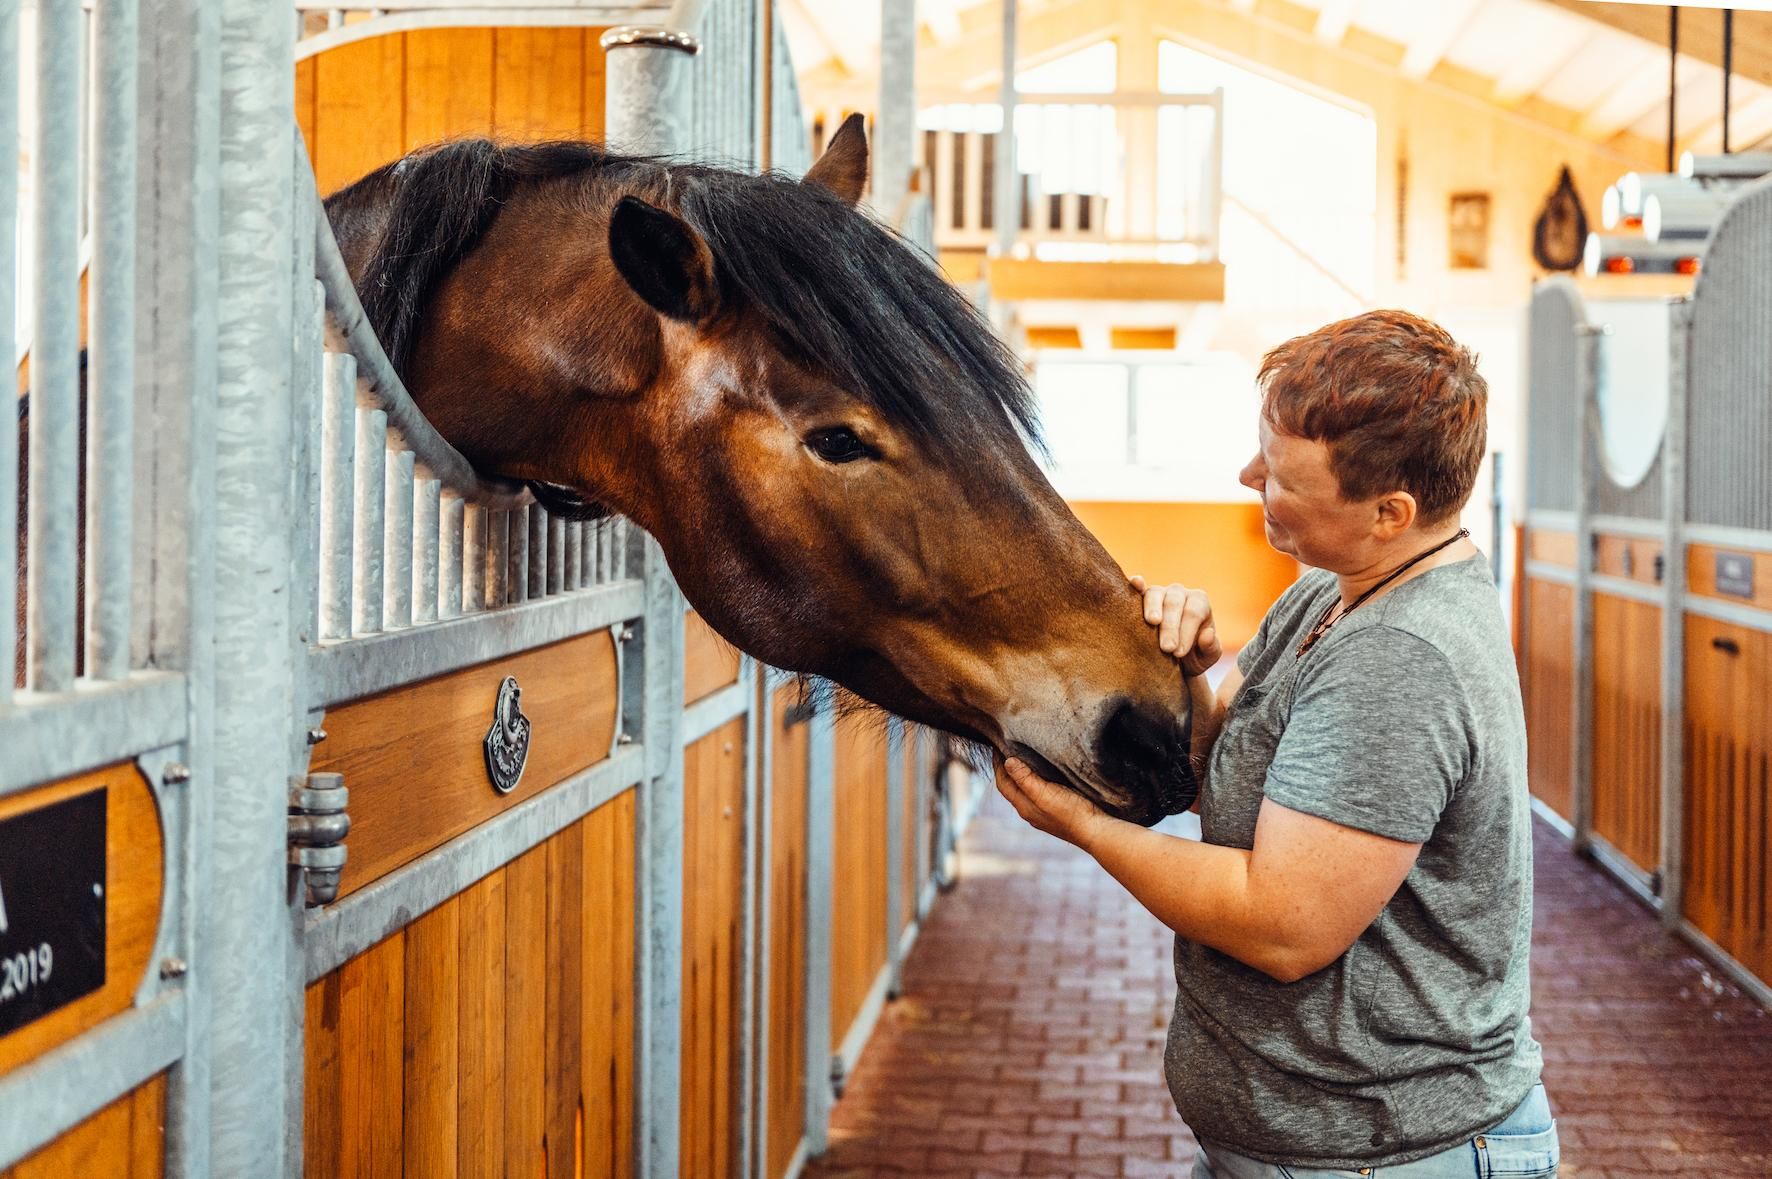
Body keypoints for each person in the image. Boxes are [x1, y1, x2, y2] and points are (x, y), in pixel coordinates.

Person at [996, 310, 1558, 1177]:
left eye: (1281, 475)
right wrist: (1186, 668)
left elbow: (1282, 924)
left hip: (1389, 1152)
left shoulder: (1399, 657)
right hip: (1301, 1147)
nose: (1248, 473)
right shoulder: (1330, 594)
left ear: (1389, 512)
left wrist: (1084, 828)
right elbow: (1220, 771)